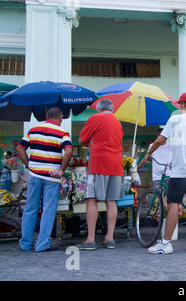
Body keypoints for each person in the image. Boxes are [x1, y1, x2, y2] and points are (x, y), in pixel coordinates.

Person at [146, 92, 186, 254]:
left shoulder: (174, 120)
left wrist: (149, 153)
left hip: (179, 170)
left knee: (173, 203)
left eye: (179, 104)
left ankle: (166, 243)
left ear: (182, 105)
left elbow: (160, 140)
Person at [16, 107, 73, 252]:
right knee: (48, 210)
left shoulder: (33, 130)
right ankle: (42, 245)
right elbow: (69, 150)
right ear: (60, 118)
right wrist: (61, 170)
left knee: (30, 208)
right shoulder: (62, 133)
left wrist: (28, 164)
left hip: (35, 175)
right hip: (52, 177)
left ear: (47, 116)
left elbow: (20, 148)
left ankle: (26, 244)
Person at [77, 99, 124, 250]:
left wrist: (88, 143)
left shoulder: (95, 118)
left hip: (98, 163)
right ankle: (109, 237)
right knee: (112, 201)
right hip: (116, 165)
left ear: (98, 109)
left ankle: (90, 239)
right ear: (112, 109)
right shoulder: (118, 122)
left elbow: (81, 140)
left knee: (92, 199)